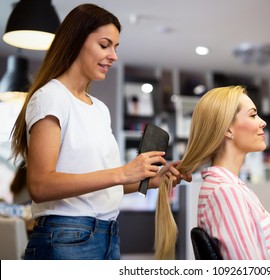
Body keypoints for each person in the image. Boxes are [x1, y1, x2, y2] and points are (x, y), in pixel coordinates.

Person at [10, 3, 190, 260]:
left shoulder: (100, 109)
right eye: (104, 45)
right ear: (75, 42)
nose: (113, 56)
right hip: (66, 238)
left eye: (115, 48)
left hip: (108, 236)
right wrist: (123, 172)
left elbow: (100, 187)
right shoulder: (51, 97)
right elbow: (40, 185)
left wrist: (152, 181)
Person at [155, 85, 270, 260]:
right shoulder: (225, 192)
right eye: (252, 115)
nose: (263, 122)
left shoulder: (232, 188)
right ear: (227, 129)